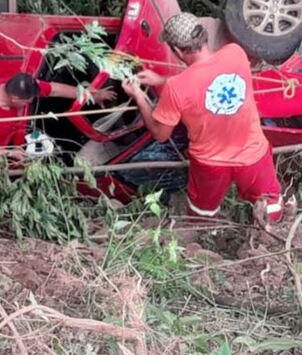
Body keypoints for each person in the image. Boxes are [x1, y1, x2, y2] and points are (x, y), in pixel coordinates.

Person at [121, 12, 286, 226]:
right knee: (272, 203)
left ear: (178, 50)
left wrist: (140, 97)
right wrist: (162, 79)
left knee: (203, 212)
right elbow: (206, 76)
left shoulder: (176, 87)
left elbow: (161, 135)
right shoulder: (235, 53)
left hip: (211, 163)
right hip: (253, 153)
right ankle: (274, 232)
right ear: (204, 36)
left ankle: (206, 236)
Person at [0, 72, 115, 161]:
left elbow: (54, 89)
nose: (29, 104)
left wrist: (91, 95)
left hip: (6, 144)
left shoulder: (20, 87)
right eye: (27, 102)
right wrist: (9, 154)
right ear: (15, 99)